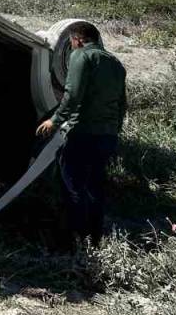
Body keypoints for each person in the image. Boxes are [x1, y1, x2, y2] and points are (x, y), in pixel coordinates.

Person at [36, 21, 127, 244]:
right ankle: (94, 237)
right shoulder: (116, 64)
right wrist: (114, 131)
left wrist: (54, 121)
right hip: (107, 136)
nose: (72, 48)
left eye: (72, 44)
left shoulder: (82, 56)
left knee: (71, 185)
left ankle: (71, 239)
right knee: (95, 186)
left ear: (77, 39)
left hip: (84, 132)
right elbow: (122, 105)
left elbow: (72, 94)